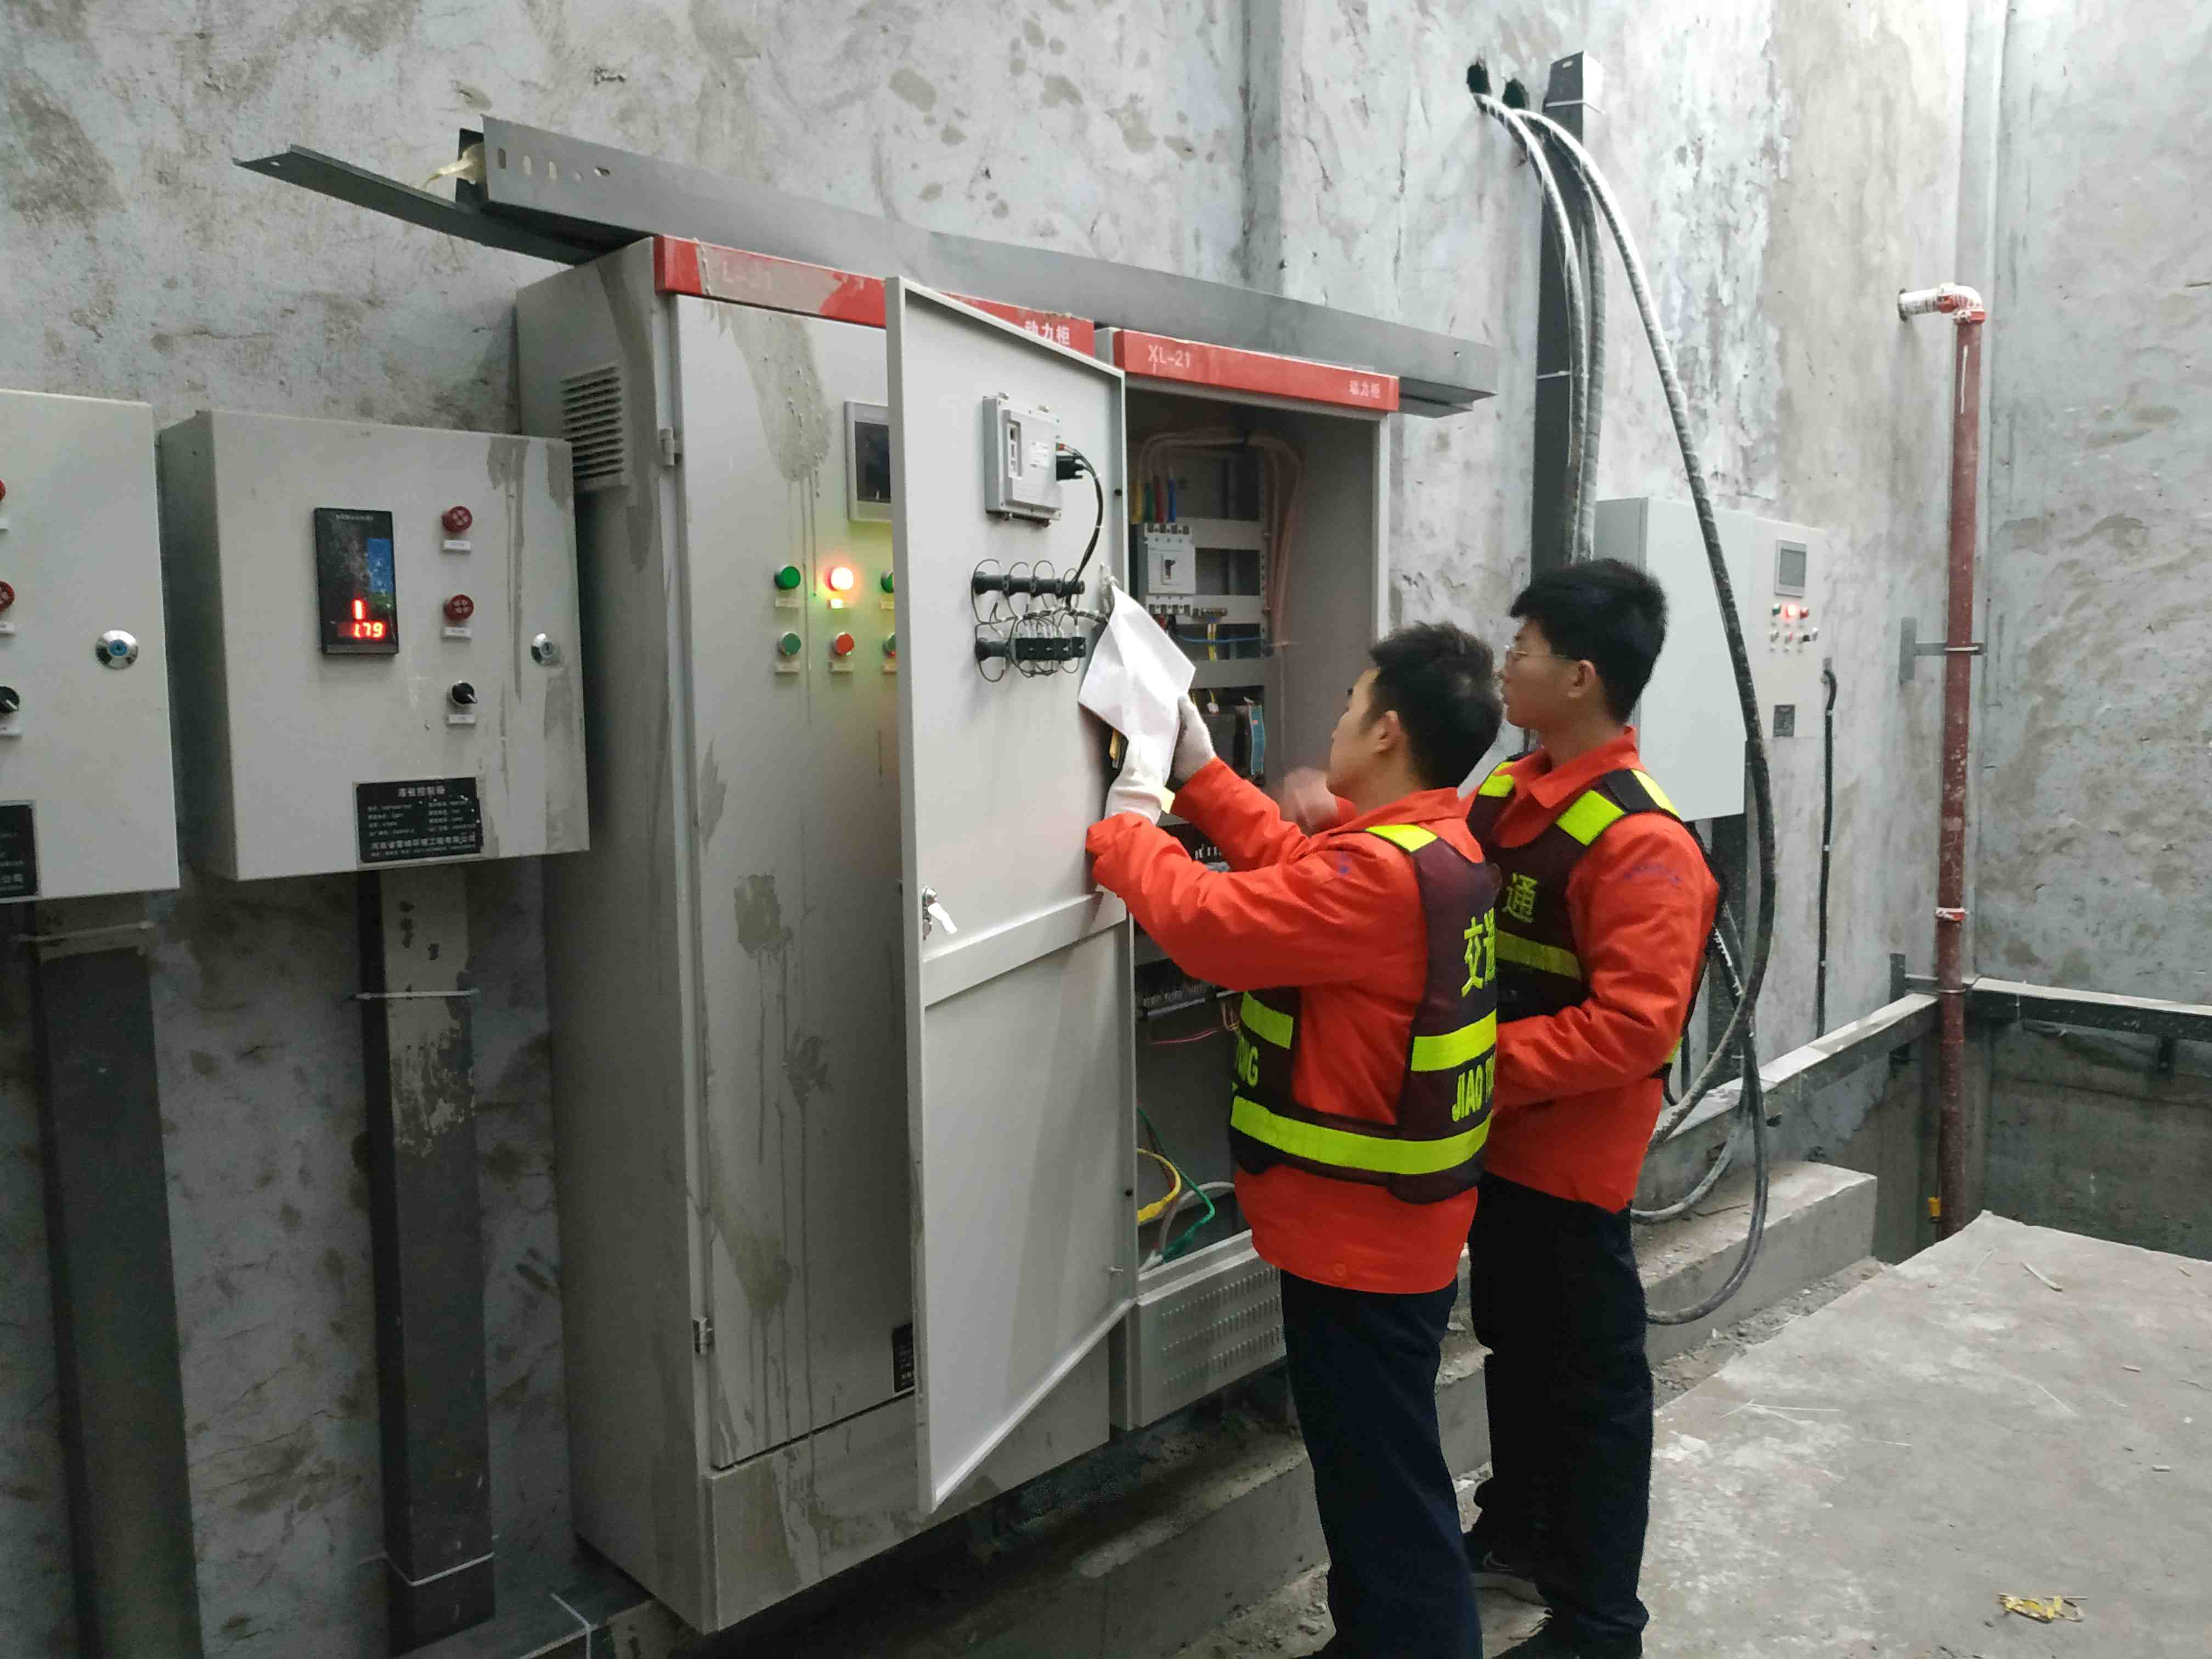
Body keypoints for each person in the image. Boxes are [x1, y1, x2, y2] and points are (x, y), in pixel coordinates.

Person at [1087, 623, 1505, 1659]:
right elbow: (1296, 864)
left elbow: (1210, 922)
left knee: (1387, 1491)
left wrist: (1129, 820)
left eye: (1353, 701)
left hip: (1364, 1244)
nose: (1338, 719)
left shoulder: (1382, 876)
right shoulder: (1427, 846)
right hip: (1380, 1234)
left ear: (1389, 730)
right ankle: (1376, 1640)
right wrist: (1200, 774)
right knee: (1367, 1473)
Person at [1457, 558, 1718, 1659]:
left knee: (1594, 1386)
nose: (1505, 666)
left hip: (1569, 1164)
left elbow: (1633, 1029)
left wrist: (1468, 1065)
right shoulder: (1503, 799)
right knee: (1516, 1350)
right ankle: (1521, 1531)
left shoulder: (1642, 842)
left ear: (1580, 676)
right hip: (1494, 1145)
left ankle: (1603, 1619)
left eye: (1522, 649)